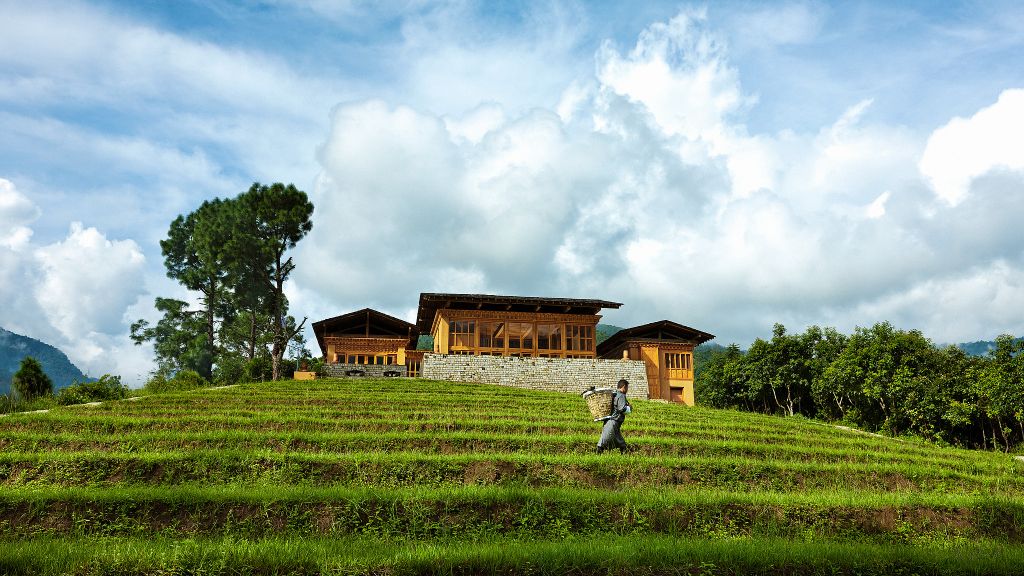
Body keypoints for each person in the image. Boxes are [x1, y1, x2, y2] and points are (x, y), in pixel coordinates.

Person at [596, 379, 632, 454]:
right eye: (627, 388)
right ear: (624, 387)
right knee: (603, 442)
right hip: (613, 422)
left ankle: (624, 457)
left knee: (621, 443)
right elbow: (621, 408)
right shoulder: (621, 395)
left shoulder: (614, 394)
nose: (627, 390)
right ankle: (597, 456)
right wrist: (629, 408)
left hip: (610, 422)